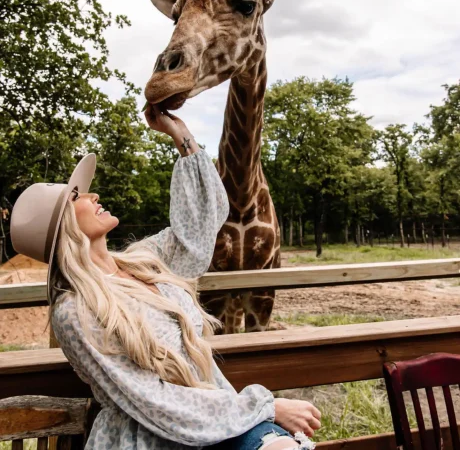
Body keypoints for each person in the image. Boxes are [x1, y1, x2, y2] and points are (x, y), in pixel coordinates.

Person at [10, 105, 321, 450]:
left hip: (213, 417)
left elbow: (200, 226)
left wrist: (181, 136)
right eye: (76, 196)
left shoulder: (144, 260)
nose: (92, 195)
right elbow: (151, 400)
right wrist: (266, 406)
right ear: (63, 228)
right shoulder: (74, 311)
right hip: (151, 438)